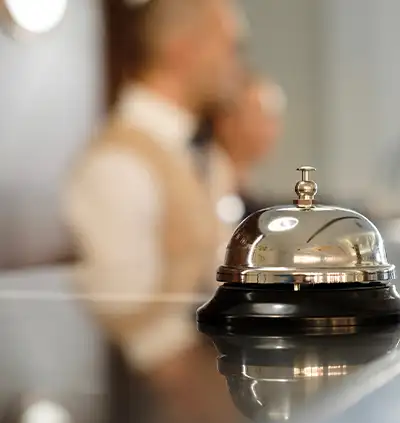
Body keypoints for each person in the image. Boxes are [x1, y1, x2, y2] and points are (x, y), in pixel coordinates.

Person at [64, 0, 242, 376]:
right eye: (229, 45)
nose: (236, 63)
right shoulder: (118, 163)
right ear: (182, 48)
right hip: (147, 390)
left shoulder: (206, 155)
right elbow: (121, 310)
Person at [210, 72, 287, 220]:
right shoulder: (209, 182)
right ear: (226, 121)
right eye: (263, 115)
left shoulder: (247, 196)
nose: (273, 129)